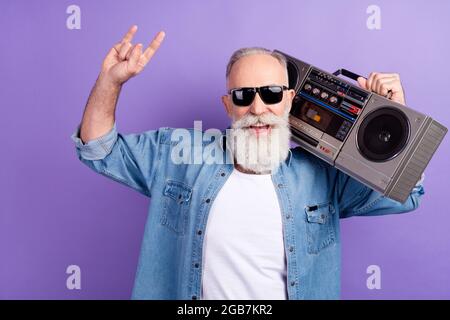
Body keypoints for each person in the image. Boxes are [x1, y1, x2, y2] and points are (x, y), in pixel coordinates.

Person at [71, 25, 424, 300]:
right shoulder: (177, 154)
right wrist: (110, 81)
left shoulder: (322, 176)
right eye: (244, 96)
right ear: (229, 106)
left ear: (289, 101)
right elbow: (100, 150)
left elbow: (404, 194)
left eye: (271, 94)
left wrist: (396, 114)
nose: (258, 109)